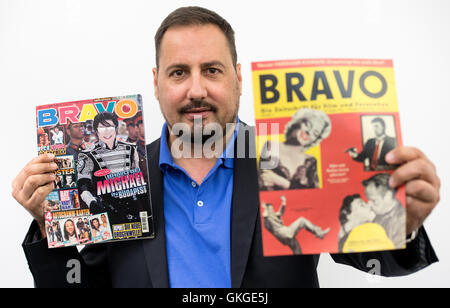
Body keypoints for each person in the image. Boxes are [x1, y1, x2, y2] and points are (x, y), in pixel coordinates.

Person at [14, 6, 440, 288]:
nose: (196, 89)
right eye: (179, 72)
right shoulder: (124, 177)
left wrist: (401, 224)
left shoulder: (291, 161)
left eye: (212, 70)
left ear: (237, 77)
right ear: (157, 83)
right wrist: (48, 225)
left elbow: (375, 259)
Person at [77, 111, 141, 221]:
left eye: (110, 126)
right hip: (105, 211)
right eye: (102, 127)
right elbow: (83, 185)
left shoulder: (131, 149)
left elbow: (138, 180)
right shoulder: (87, 155)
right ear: (97, 131)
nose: (106, 131)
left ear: (116, 128)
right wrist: (91, 202)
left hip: (133, 209)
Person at [259, 108, 331, 191]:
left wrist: (281, 182)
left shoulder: (310, 161)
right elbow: (263, 183)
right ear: (298, 122)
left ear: (315, 139)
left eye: (315, 133)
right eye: (308, 125)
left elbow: (313, 195)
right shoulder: (271, 147)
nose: (309, 132)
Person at [262, 196, 330, 255]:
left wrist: (284, 201)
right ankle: (319, 233)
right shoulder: (267, 220)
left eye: (272, 209)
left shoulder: (275, 216)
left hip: (285, 238)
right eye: (270, 210)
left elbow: (281, 211)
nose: (272, 211)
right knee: (302, 220)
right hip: (286, 233)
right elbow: (265, 216)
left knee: (296, 249)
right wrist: (265, 208)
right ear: (268, 211)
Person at [362, 173, 406, 248]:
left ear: (388, 196)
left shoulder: (403, 220)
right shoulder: (378, 216)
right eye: (368, 200)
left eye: (373, 200)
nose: (369, 205)